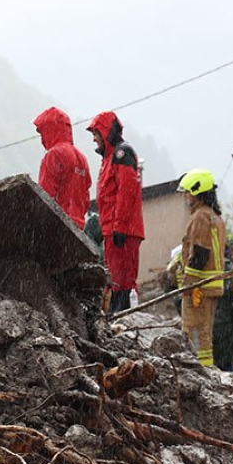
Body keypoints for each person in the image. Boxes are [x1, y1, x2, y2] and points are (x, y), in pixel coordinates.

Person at [87, 112, 144, 314]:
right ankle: (118, 319)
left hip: (122, 231)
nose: (94, 139)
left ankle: (124, 321)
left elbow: (125, 193)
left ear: (106, 133)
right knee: (115, 282)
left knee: (122, 283)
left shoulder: (121, 154)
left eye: (96, 133)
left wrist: (119, 226)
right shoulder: (111, 158)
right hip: (114, 229)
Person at [175, 169, 227, 368]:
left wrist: (188, 283)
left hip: (199, 286)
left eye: (188, 192)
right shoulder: (214, 216)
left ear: (198, 192)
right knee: (204, 332)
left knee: (194, 332)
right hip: (211, 285)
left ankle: (199, 372)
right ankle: (205, 369)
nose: (186, 197)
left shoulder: (200, 216)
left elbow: (199, 253)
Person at [33, 107, 91, 227]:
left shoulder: (53, 155)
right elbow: (85, 197)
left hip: (58, 224)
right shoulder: (82, 158)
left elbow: (45, 195)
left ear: (49, 130)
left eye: (42, 133)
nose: (41, 139)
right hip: (78, 226)